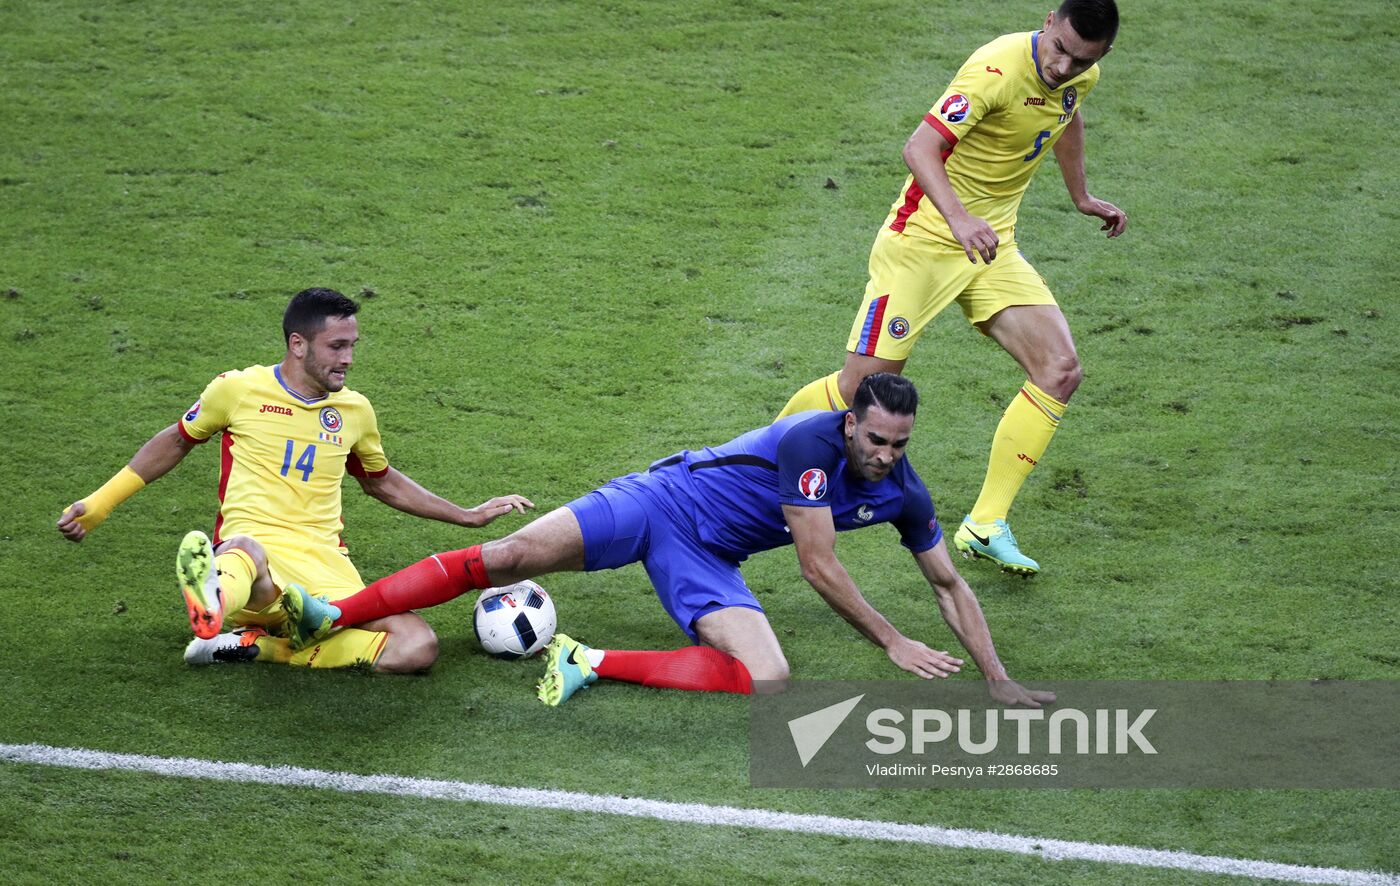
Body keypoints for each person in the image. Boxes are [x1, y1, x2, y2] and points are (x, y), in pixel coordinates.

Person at [280, 374, 1052, 708]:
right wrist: (890, 640)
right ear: (853, 422)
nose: (886, 455)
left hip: (706, 556)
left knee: (770, 677)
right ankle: (334, 614)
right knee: (508, 557)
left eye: (900, 444)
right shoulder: (811, 447)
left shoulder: (902, 489)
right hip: (658, 501)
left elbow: (949, 583)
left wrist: (996, 677)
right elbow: (818, 565)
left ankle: (587, 661)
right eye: (878, 439)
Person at [776, 0, 1127, 575]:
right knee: (860, 389)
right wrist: (960, 219)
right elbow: (921, 148)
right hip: (922, 243)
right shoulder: (994, 71)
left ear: (1103, 53)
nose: (1063, 67)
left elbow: (1066, 115)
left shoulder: (1078, 76)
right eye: (1060, 49)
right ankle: (764, 456)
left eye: (1083, 60)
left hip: (991, 247)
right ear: (1047, 22)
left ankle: (986, 524)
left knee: (1060, 369)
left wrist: (1081, 196)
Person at [57, 287, 533, 673]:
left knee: (417, 646)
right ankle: (216, 602)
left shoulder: (355, 410)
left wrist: (467, 516)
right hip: (253, 562)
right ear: (298, 344)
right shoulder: (238, 390)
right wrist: (99, 504)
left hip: (327, 569)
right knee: (245, 550)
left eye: (352, 346)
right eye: (336, 346)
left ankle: (260, 648)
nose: (347, 359)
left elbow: (380, 481)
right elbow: (177, 440)